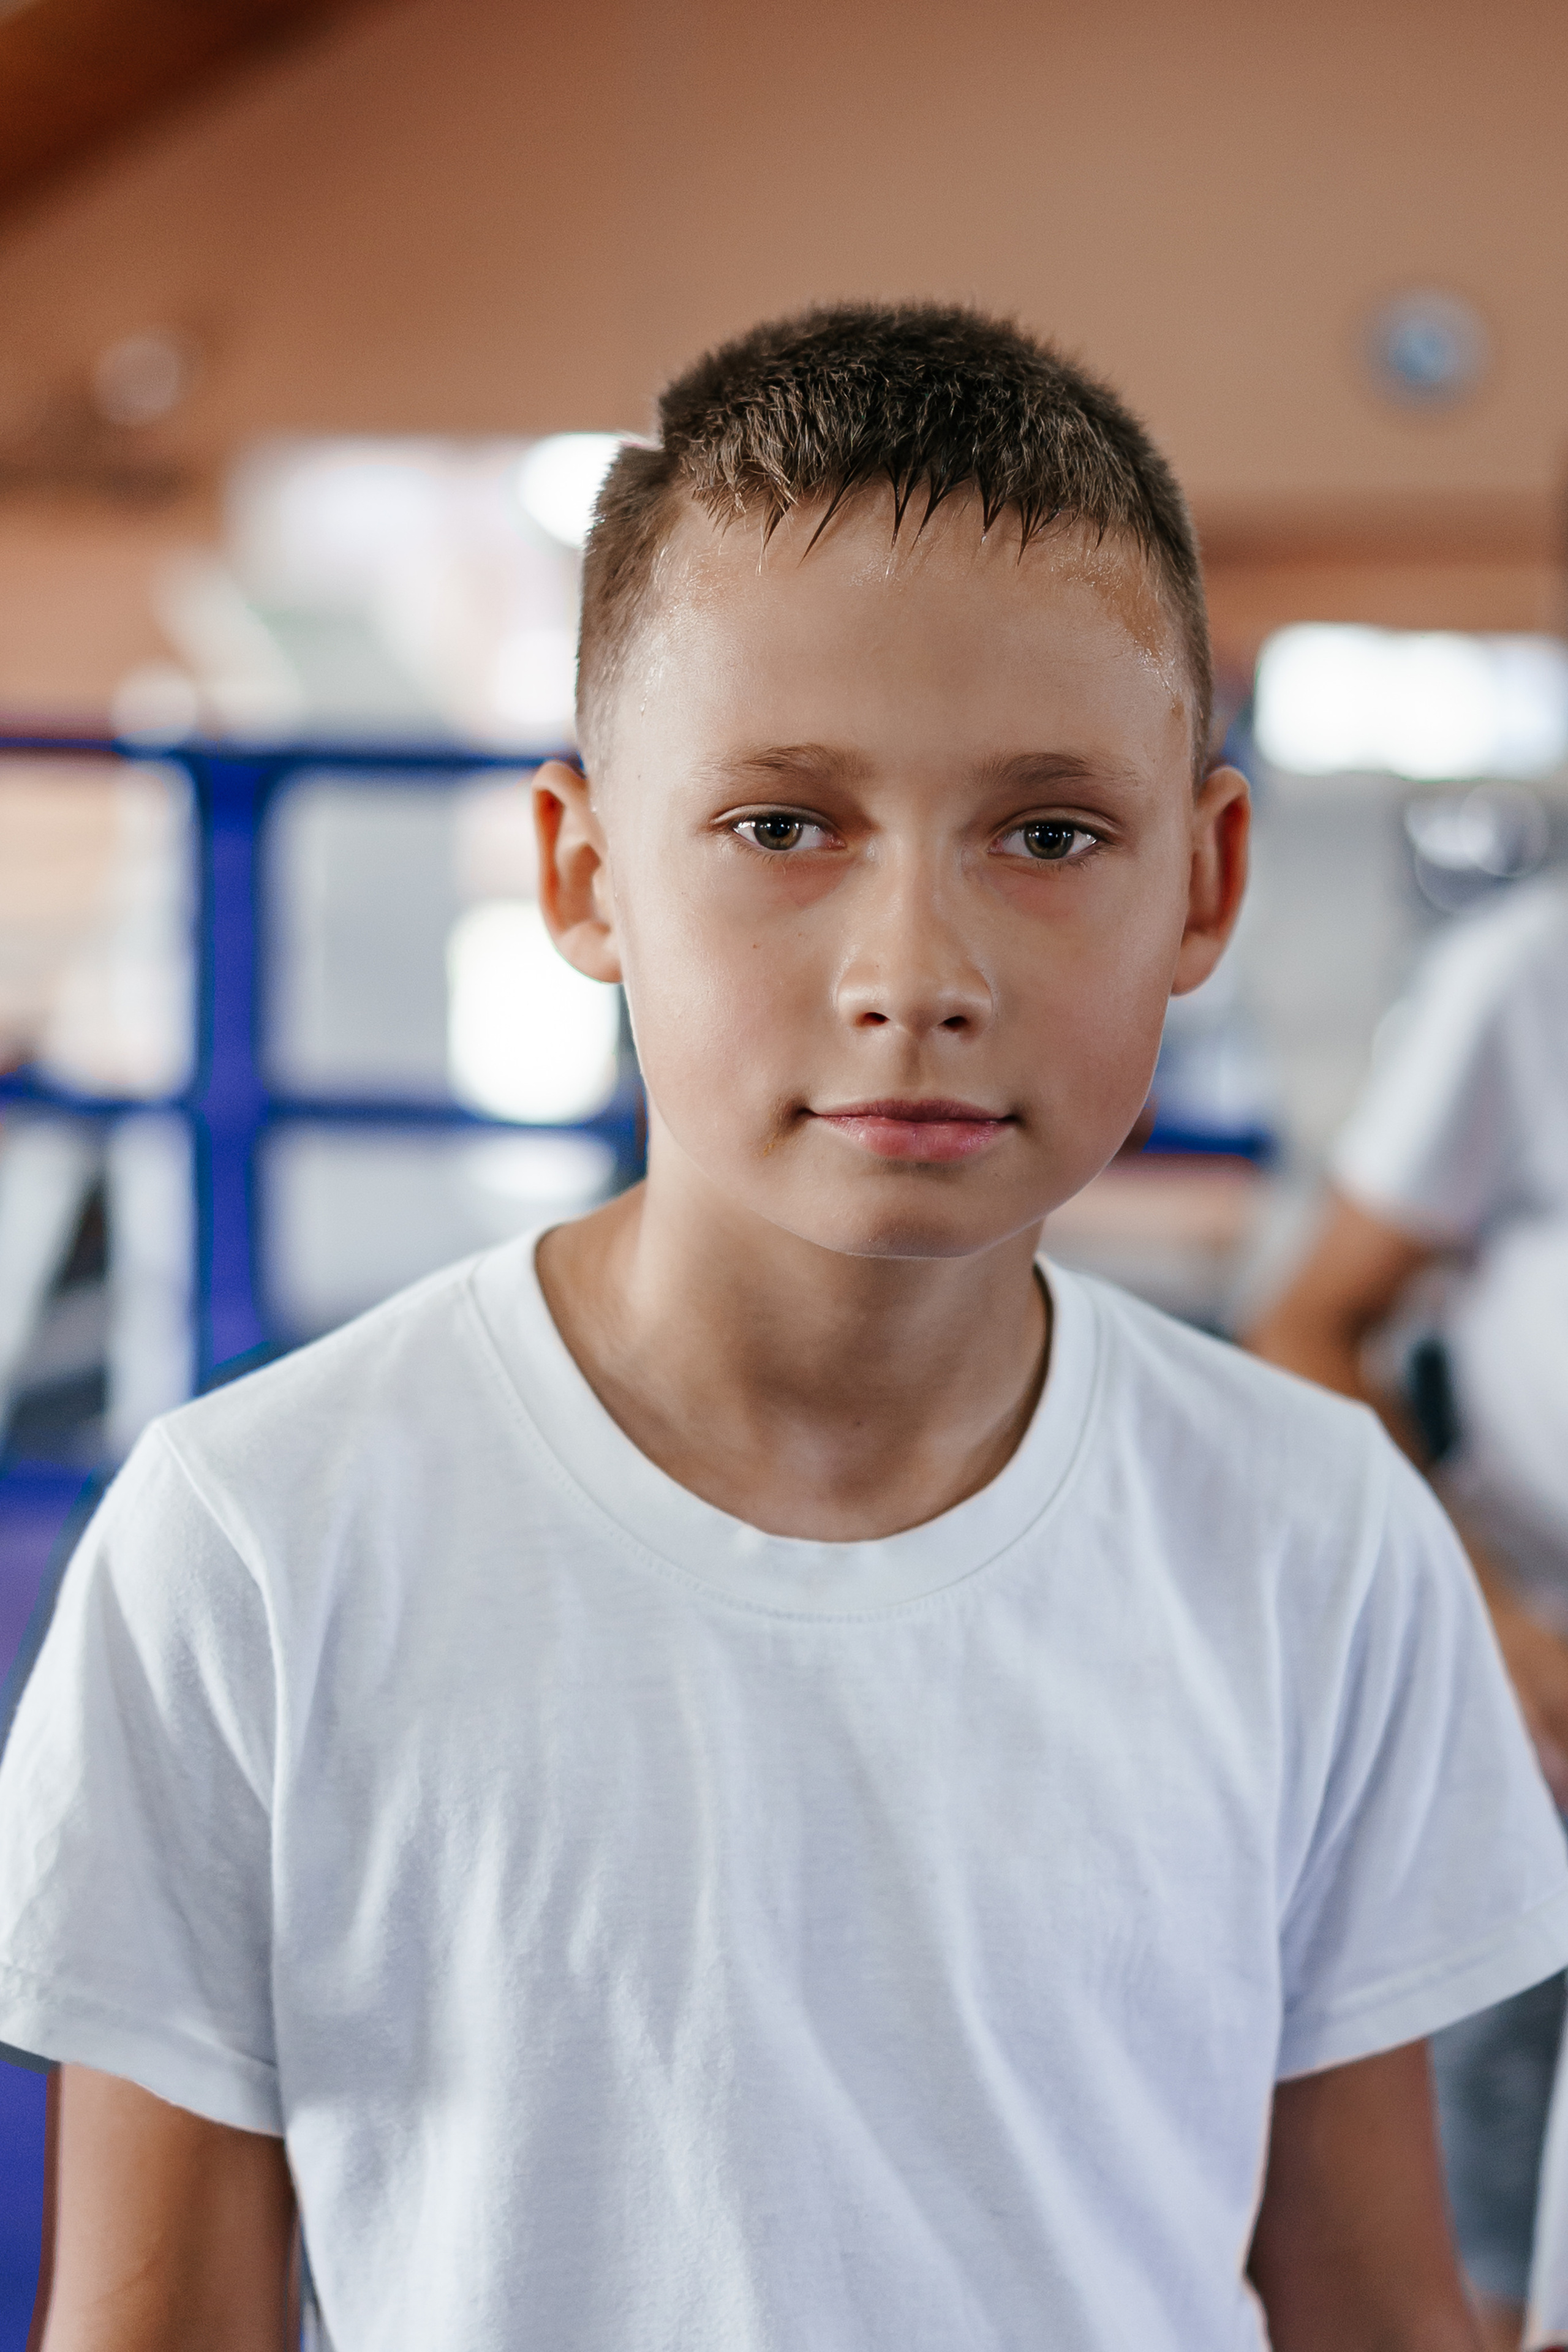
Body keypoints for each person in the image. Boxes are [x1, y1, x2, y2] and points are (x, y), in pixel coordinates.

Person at [1, 304, 1564, 2352]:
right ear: (585, 874)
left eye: (1052, 834)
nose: (913, 970)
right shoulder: (259, 1543)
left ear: (1208, 880)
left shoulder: (1320, 1541)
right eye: (782, 827)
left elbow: (1371, 2311)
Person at [1249, 874, 1568, 2351]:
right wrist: (1483, 1625)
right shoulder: (1531, 974)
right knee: (1476, 2249)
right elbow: (1310, 1324)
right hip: (1539, 1705)